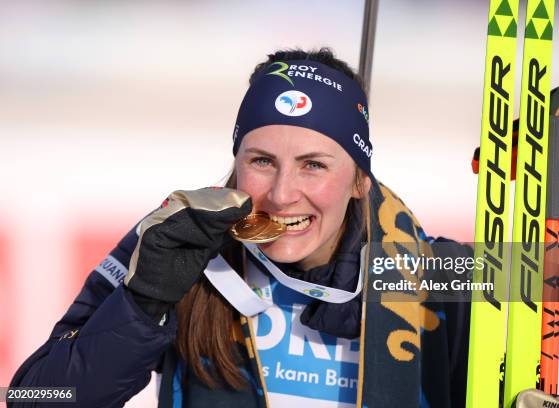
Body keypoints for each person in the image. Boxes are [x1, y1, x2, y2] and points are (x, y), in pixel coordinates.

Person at [9, 48, 471, 408]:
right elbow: (34, 398)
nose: (283, 193)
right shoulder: (182, 244)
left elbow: (543, 286)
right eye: (262, 161)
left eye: (313, 165)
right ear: (237, 162)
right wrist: (143, 304)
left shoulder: (439, 273)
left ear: (358, 181)